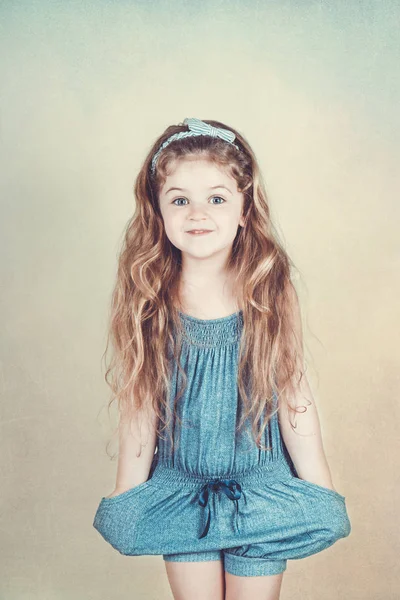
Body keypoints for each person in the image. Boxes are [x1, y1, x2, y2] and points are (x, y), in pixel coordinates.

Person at [92, 117, 351, 600]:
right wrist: (129, 491)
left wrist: (318, 485)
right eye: (179, 200)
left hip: (260, 489)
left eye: (216, 198)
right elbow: (140, 403)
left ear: (243, 209)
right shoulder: (149, 297)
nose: (197, 214)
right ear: (158, 210)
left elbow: (293, 390)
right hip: (182, 491)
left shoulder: (269, 289)